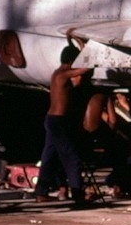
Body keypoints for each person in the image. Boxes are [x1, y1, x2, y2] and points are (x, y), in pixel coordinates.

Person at [34, 44, 95, 206]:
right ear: (71, 60)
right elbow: (84, 69)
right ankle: (77, 192)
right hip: (59, 122)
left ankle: (41, 191)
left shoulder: (58, 74)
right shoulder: (62, 74)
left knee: (49, 157)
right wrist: (86, 50)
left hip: (54, 120)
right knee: (72, 157)